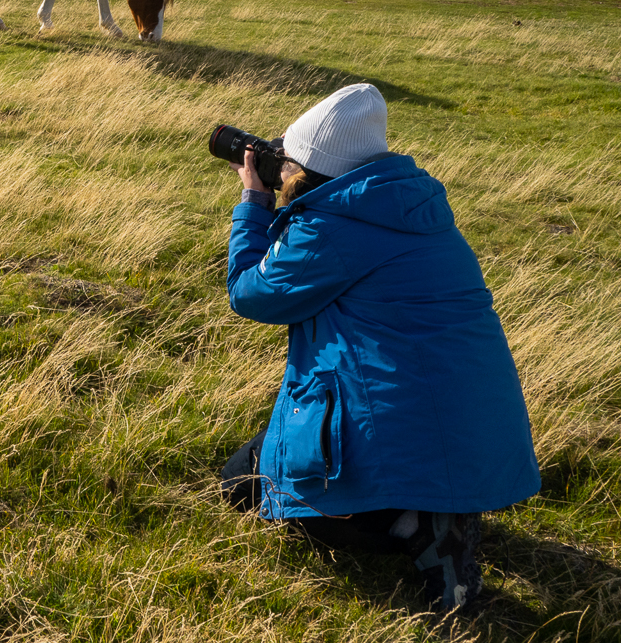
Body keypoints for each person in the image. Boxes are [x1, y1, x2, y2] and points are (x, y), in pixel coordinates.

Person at [218, 83, 538, 612]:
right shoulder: (418, 209)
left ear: (311, 171)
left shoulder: (330, 226)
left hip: (395, 426)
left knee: (243, 483)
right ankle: (438, 508)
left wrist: (255, 203)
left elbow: (251, 293)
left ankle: (407, 522)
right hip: (481, 442)